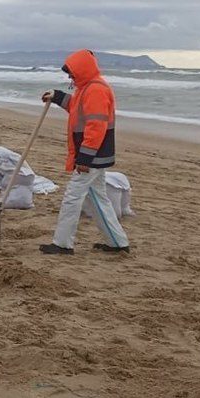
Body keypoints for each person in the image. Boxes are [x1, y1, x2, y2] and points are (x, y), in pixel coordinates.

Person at [39, 49, 130, 255]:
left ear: (81, 70)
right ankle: (117, 243)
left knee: (72, 197)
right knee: (98, 197)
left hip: (92, 156)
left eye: (71, 72)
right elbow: (76, 107)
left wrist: (85, 158)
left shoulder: (95, 90)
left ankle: (62, 244)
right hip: (94, 155)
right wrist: (57, 96)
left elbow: (95, 126)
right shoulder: (86, 88)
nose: (70, 77)